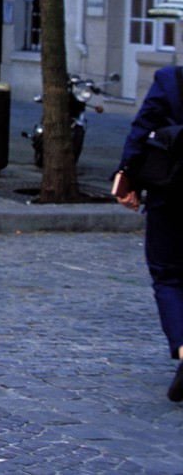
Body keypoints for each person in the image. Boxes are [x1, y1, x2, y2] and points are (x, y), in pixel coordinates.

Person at [113, 65, 183, 403]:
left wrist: (126, 176)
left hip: (170, 190)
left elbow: (142, 129)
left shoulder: (172, 80)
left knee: (168, 274)